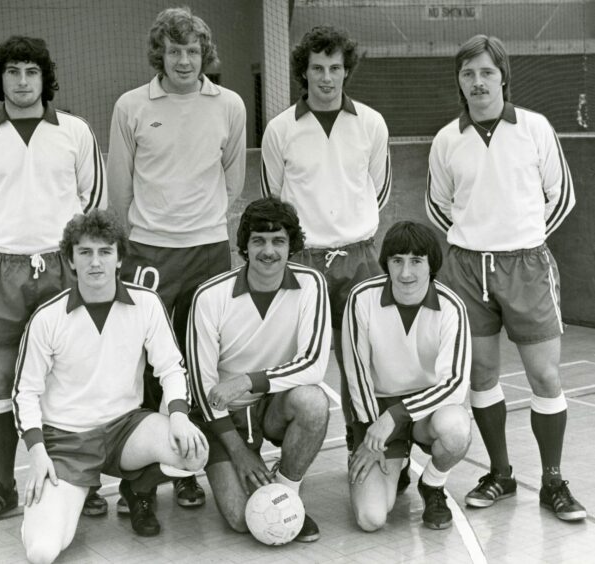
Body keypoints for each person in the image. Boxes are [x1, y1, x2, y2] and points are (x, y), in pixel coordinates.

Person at [0, 35, 106, 525]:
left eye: (31, 72)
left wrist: (56, 249)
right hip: (0, 269)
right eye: (13, 71)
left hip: (62, 268)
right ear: (1, 78)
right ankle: (4, 488)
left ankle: (81, 481)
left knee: (68, 378)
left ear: (45, 77)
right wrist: (5, 239)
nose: (22, 81)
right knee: (1, 381)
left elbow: (93, 197)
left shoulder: (75, 131)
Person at [426, 34, 585, 521]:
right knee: (482, 375)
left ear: (503, 77)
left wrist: (525, 238)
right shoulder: (446, 139)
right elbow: (438, 204)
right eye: (468, 73)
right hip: (467, 269)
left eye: (487, 72)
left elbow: (560, 196)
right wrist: (474, 242)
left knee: (544, 375)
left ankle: (553, 482)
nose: (478, 82)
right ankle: (500, 473)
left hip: (526, 264)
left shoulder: (535, 129)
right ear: (459, 81)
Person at [107, 5, 246, 508]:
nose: (184, 61)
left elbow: (233, 180)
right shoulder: (131, 106)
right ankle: (140, 482)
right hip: (147, 252)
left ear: (204, 54)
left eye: (192, 51)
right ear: (159, 55)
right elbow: (118, 188)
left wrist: (201, 223)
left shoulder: (229, 104)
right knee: (145, 364)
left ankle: (189, 466)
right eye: (174, 51)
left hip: (208, 251)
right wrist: (146, 235)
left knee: (199, 361)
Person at [12, 210, 208, 564]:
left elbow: (171, 368)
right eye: (85, 252)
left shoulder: (146, 303)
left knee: (194, 451)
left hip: (125, 430)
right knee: (42, 552)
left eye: (105, 251)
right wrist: (37, 453)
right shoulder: (47, 318)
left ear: (120, 258)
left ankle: (138, 488)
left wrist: (178, 416)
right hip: (67, 442)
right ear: (70, 259)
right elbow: (24, 393)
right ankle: (75, 491)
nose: (95, 261)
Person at [260, 25, 391, 459]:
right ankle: (289, 449)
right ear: (304, 72)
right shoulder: (280, 130)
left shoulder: (371, 124)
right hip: (303, 262)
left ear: (346, 70)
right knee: (295, 360)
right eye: (317, 68)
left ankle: (365, 442)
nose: (327, 77)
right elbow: (274, 199)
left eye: (335, 67)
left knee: (364, 359)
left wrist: (349, 229)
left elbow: (378, 188)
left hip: (360, 258)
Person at [186, 197, 331, 542]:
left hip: (274, 403)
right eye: (259, 241)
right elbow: (202, 386)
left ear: (291, 246)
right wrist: (237, 453)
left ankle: (286, 495)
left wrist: (248, 381)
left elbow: (313, 364)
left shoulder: (312, 284)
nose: (269, 251)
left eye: (278, 241)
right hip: (224, 415)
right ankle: (245, 469)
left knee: (313, 402)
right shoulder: (210, 296)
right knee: (240, 519)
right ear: (244, 247)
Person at [342, 221, 471, 531]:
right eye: (396, 260)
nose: (405, 273)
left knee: (455, 429)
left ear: (431, 264)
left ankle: (433, 485)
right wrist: (373, 430)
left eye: (416, 261)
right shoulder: (362, 298)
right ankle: (394, 465)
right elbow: (356, 372)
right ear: (386, 262)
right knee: (371, 519)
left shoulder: (452, 307)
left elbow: (454, 382)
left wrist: (398, 416)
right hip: (379, 411)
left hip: (429, 412)